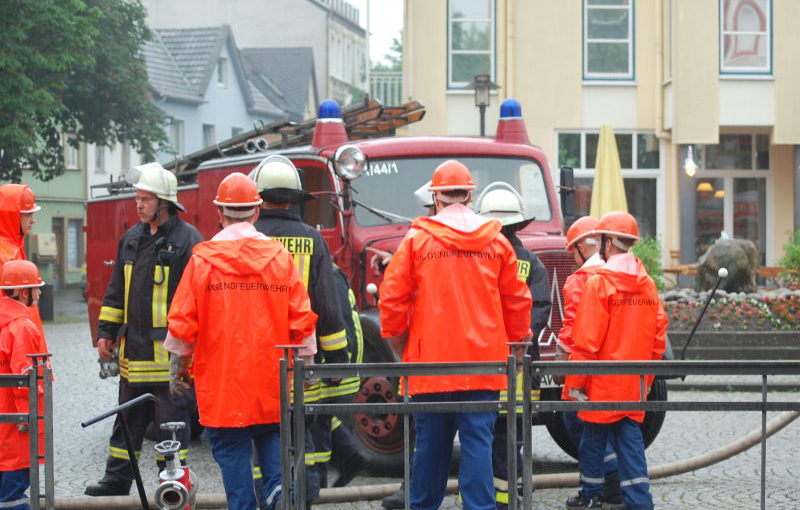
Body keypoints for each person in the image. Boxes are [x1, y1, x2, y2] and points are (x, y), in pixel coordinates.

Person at [379, 160, 533, 510]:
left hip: (429, 364)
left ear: (435, 197)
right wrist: (518, 348)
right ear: (469, 195)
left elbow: (391, 298)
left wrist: (399, 341)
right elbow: (517, 300)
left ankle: (422, 506)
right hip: (483, 364)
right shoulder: (495, 240)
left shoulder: (418, 240)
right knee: (479, 443)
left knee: (430, 446)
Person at [165, 172, 318, 510]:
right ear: (257, 212)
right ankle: (279, 492)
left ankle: (245, 504)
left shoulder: (203, 261)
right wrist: (304, 373)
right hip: (272, 379)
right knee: (271, 437)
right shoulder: (279, 259)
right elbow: (303, 321)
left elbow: (181, 326)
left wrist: (177, 372)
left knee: (232, 449)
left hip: (222, 384)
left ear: (220, 213)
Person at [85, 163, 203, 497]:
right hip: (134, 355)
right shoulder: (132, 239)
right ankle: (117, 479)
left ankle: (172, 484)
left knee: (171, 424)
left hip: (170, 357)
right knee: (127, 421)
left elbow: (196, 297)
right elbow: (115, 290)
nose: (138, 205)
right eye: (137, 198)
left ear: (164, 202)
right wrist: (106, 332)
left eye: (145, 199)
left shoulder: (188, 241)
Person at [249, 155, 354, 491]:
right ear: (295, 199)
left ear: (259, 198)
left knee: (259, 437)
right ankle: (306, 494)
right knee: (304, 433)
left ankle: (266, 495)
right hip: (301, 357)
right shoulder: (311, 239)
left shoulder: (245, 238)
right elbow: (327, 303)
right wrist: (337, 357)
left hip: (252, 359)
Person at [564, 211, 667, 510]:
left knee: (593, 441)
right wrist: (643, 382)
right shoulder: (647, 284)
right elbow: (657, 337)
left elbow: (586, 340)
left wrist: (574, 385)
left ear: (607, 243)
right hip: (632, 383)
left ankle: (589, 496)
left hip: (601, 385)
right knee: (630, 443)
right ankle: (640, 501)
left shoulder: (599, 284)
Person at [475, 183, 551, 510]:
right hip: (519, 367)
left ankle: (484, 499)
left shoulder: (476, 258)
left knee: (480, 437)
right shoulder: (531, 262)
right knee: (511, 440)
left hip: (484, 364)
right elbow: (541, 309)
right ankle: (508, 500)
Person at [557, 216, 623, 508]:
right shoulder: (621, 275)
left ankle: (604, 483)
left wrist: (562, 358)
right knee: (606, 429)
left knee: (575, 423)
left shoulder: (579, 280)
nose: (572, 256)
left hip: (584, 366)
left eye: (573, 250)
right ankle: (613, 484)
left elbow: (573, 328)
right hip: (615, 367)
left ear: (584, 247)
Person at [0, 260, 48, 510]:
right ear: (22, 291)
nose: (39, 292)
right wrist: (28, 420)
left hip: (3, 426)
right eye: (35, 287)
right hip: (16, 431)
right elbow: (25, 380)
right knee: (14, 494)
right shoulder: (22, 326)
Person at [0, 185, 43, 331]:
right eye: (28, 215)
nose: (33, 221)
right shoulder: (5, 254)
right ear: (14, 216)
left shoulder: (14, 248)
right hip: (17, 337)